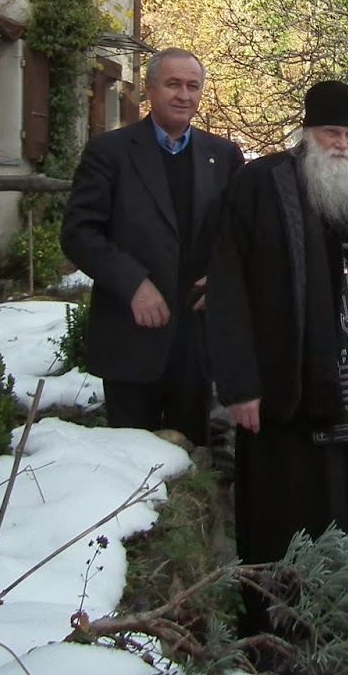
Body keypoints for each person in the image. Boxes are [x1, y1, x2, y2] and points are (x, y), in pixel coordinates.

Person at [208, 80, 348, 581]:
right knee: (289, 507)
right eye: (331, 133)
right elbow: (228, 286)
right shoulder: (260, 182)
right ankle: (284, 607)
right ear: (307, 132)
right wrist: (239, 386)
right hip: (284, 385)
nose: (342, 144)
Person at [61, 48, 244, 446]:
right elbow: (79, 233)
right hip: (130, 336)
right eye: (173, 84)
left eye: (193, 86)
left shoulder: (223, 156)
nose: (184, 95)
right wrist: (134, 284)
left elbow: (238, 233)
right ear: (149, 89)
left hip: (195, 340)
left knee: (192, 456)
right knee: (128, 459)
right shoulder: (109, 152)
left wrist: (223, 277)